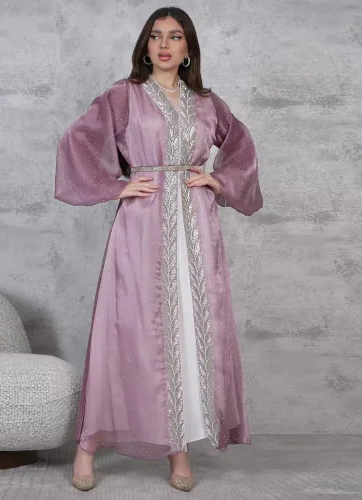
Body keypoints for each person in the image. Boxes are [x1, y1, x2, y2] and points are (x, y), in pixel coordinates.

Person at [55, 6, 263, 493]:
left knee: (188, 331)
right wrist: (116, 185)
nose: (164, 45)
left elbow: (241, 149)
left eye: (174, 36)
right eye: (155, 36)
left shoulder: (207, 103)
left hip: (196, 230)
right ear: (145, 46)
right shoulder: (123, 96)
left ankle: (178, 447)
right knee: (129, 329)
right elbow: (75, 143)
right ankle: (89, 442)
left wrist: (218, 180)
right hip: (142, 226)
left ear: (189, 47)